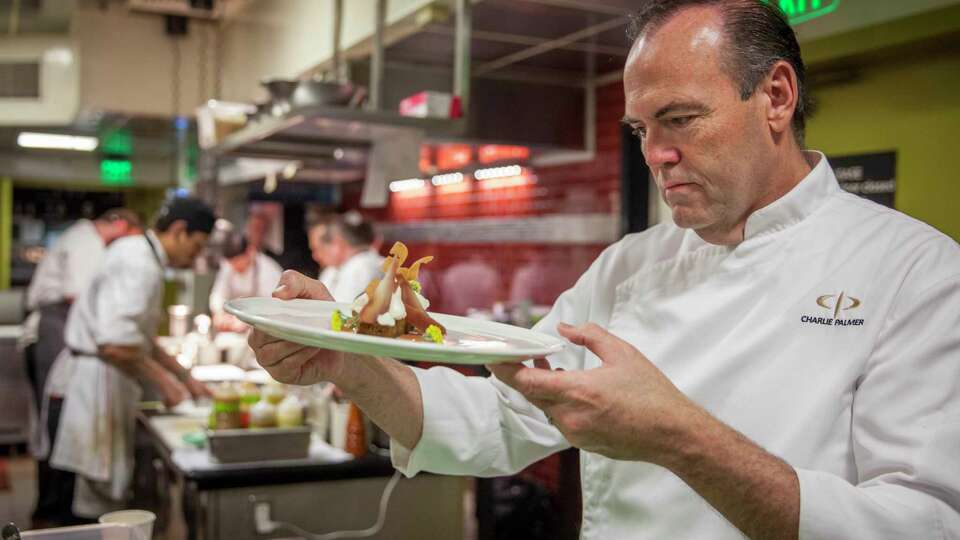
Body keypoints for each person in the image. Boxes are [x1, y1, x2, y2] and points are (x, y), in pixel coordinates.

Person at [249, 2, 960, 539]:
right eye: (641, 130)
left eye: (680, 119)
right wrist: (344, 360)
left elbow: (923, 521)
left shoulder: (917, 274)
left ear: (775, 97)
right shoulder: (629, 265)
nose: (656, 155)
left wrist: (678, 436)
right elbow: (502, 418)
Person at [49, 197, 215, 519]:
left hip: (105, 381)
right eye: (196, 246)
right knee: (95, 503)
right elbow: (115, 345)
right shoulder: (140, 264)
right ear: (179, 231)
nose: (195, 256)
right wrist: (166, 383)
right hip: (98, 386)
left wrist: (186, 377)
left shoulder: (140, 255)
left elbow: (140, 339)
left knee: (101, 495)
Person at [21, 208, 142, 528]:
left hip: (62, 325)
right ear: (118, 224)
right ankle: (50, 511)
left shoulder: (82, 235)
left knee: (58, 418)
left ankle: (55, 507)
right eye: (128, 240)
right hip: (54, 327)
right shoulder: (87, 241)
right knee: (56, 417)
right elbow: (80, 295)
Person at [209, 231, 283, 332]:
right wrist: (219, 314)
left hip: (264, 328)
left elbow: (273, 307)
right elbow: (219, 294)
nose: (235, 266)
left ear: (249, 251)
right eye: (232, 263)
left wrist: (247, 321)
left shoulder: (268, 270)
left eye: (238, 261)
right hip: (234, 327)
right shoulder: (227, 266)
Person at [317, 213, 384, 303]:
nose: (317, 256)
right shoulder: (334, 269)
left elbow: (345, 311)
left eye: (324, 247)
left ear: (338, 243)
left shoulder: (360, 267)